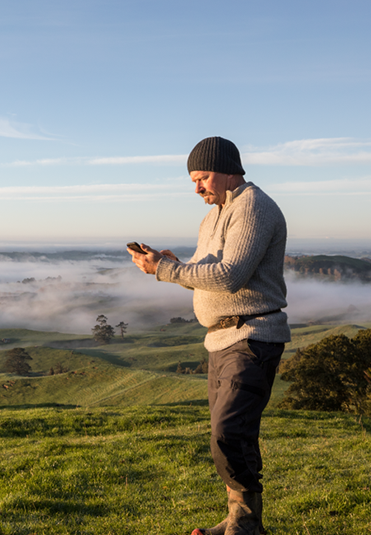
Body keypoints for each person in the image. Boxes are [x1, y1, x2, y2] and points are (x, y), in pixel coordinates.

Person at [128, 136, 289, 535]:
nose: (196, 187)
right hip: (221, 339)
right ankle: (242, 521)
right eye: (193, 180)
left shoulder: (253, 207)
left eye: (201, 177)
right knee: (232, 434)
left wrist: (165, 271)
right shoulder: (214, 215)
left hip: (251, 334)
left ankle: (245, 525)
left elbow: (230, 277)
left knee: (228, 431)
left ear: (226, 170)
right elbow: (207, 281)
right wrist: (172, 265)